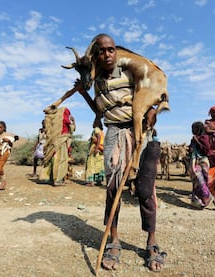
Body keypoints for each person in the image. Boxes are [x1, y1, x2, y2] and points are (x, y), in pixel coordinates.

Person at [77, 34, 166, 272]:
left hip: (142, 134)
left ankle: (151, 241)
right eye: (103, 51)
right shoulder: (96, 82)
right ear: (96, 55)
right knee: (113, 188)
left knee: (146, 190)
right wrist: (84, 93)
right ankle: (114, 241)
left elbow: (153, 89)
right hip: (115, 133)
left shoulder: (129, 72)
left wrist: (154, 109)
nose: (108, 55)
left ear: (116, 51)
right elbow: (99, 111)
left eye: (111, 49)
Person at [40, 107, 76, 186]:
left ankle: (49, 178)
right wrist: (73, 121)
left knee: (52, 159)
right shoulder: (65, 119)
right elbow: (72, 129)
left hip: (53, 143)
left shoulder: (54, 119)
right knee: (61, 160)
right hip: (61, 142)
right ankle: (58, 180)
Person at [189, 121, 215, 210]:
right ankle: (199, 203)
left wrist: (197, 141)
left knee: (202, 183)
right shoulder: (194, 138)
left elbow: (206, 150)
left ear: (198, 129)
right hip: (195, 162)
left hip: (203, 162)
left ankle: (213, 201)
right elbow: (191, 150)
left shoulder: (204, 137)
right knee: (197, 182)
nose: (192, 130)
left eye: (193, 129)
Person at [85, 118, 105, 186]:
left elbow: (98, 136)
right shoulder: (101, 131)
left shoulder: (96, 129)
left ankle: (90, 182)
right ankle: (98, 181)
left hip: (95, 150)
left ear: (96, 123)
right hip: (101, 150)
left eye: (93, 122)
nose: (92, 124)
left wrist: (96, 147)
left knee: (91, 164)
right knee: (99, 166)